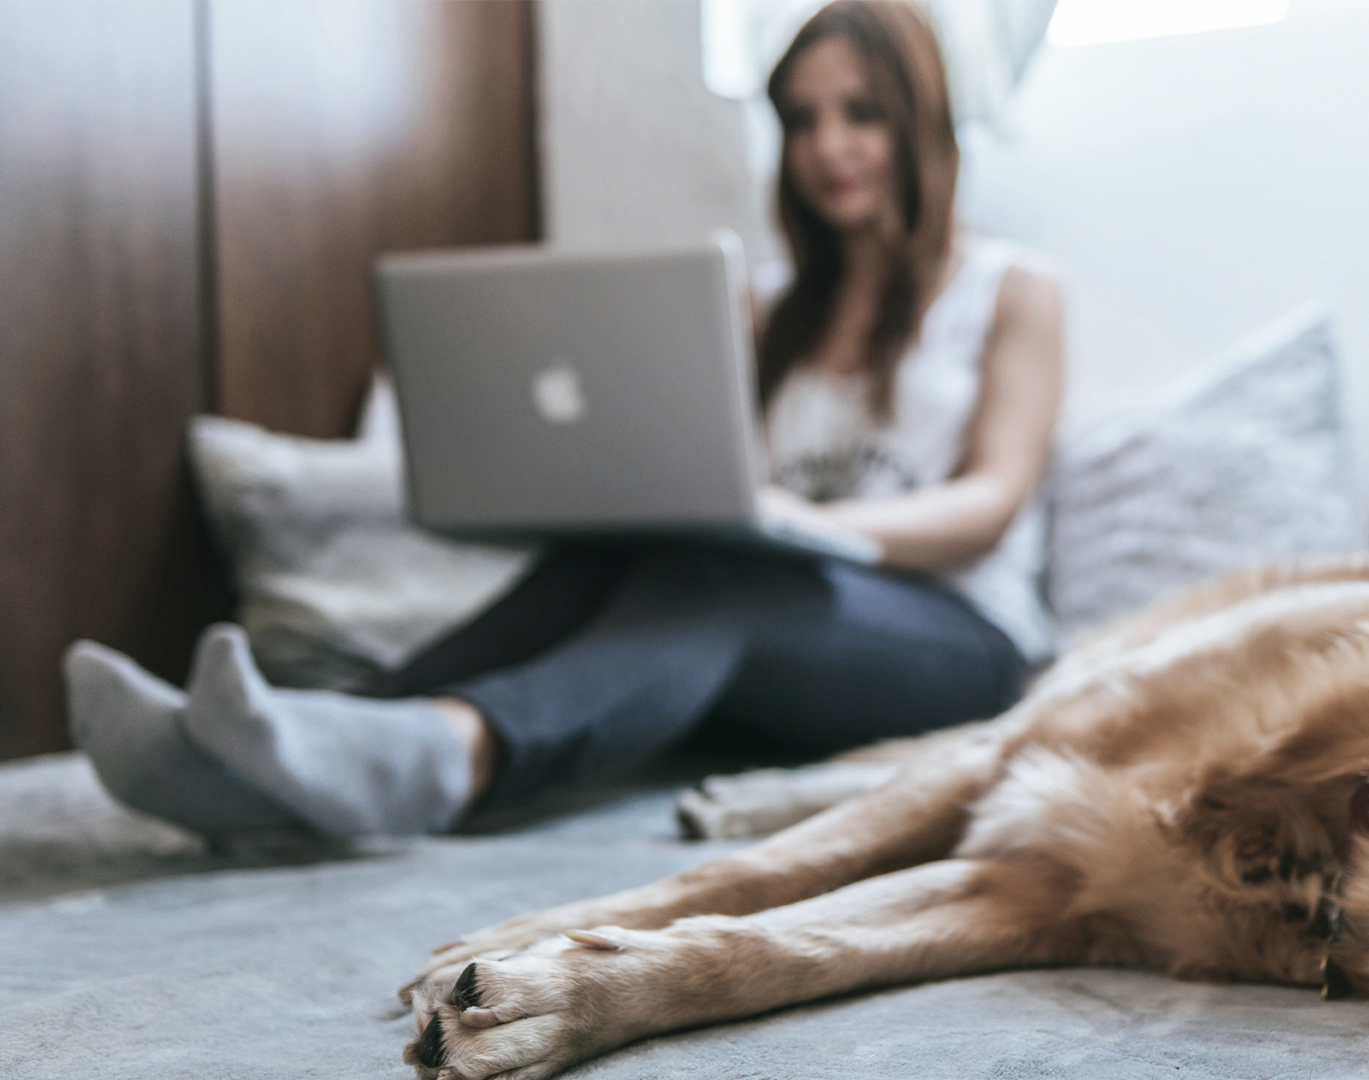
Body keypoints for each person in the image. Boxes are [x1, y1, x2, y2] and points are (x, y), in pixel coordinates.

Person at [63, 0, 1063, 839]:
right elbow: (707, 470)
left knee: (723, 576)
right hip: (776, 610)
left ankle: (452, 753)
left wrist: (808, 529)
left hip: (956, 641)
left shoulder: (1010, 288)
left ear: (919, 121)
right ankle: (295, 743)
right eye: (801, 120)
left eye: (860, 114)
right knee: (632, 559)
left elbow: (991, 500)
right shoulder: (762, 306)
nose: (827, 147)